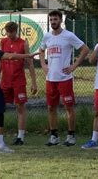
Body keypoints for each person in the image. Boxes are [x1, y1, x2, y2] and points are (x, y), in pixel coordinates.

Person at [39, 10, 89, 146]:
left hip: (65, 78)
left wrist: (74, 65)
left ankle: (71, 136)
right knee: (51, 107)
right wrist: (43, 64)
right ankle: (54, 136)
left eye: (55, 19)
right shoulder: (47, 36)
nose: (53, 22)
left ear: (61, 20)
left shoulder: (68, 35)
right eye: (51, 20)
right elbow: (41, 50)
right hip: (50, 79)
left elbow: (85, 49)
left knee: (69, 107)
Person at [0, 21, 38, 146]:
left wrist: (34, 83)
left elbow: (30, 63)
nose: (9, 35)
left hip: (19, 81)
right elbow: (1, 61)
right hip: (5, 81)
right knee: (0, 107)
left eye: (11, 32)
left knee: (20, 107)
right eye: (7, 32)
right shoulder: (3, 41)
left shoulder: (23, 43)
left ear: (16, 31)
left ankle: (20, 137)